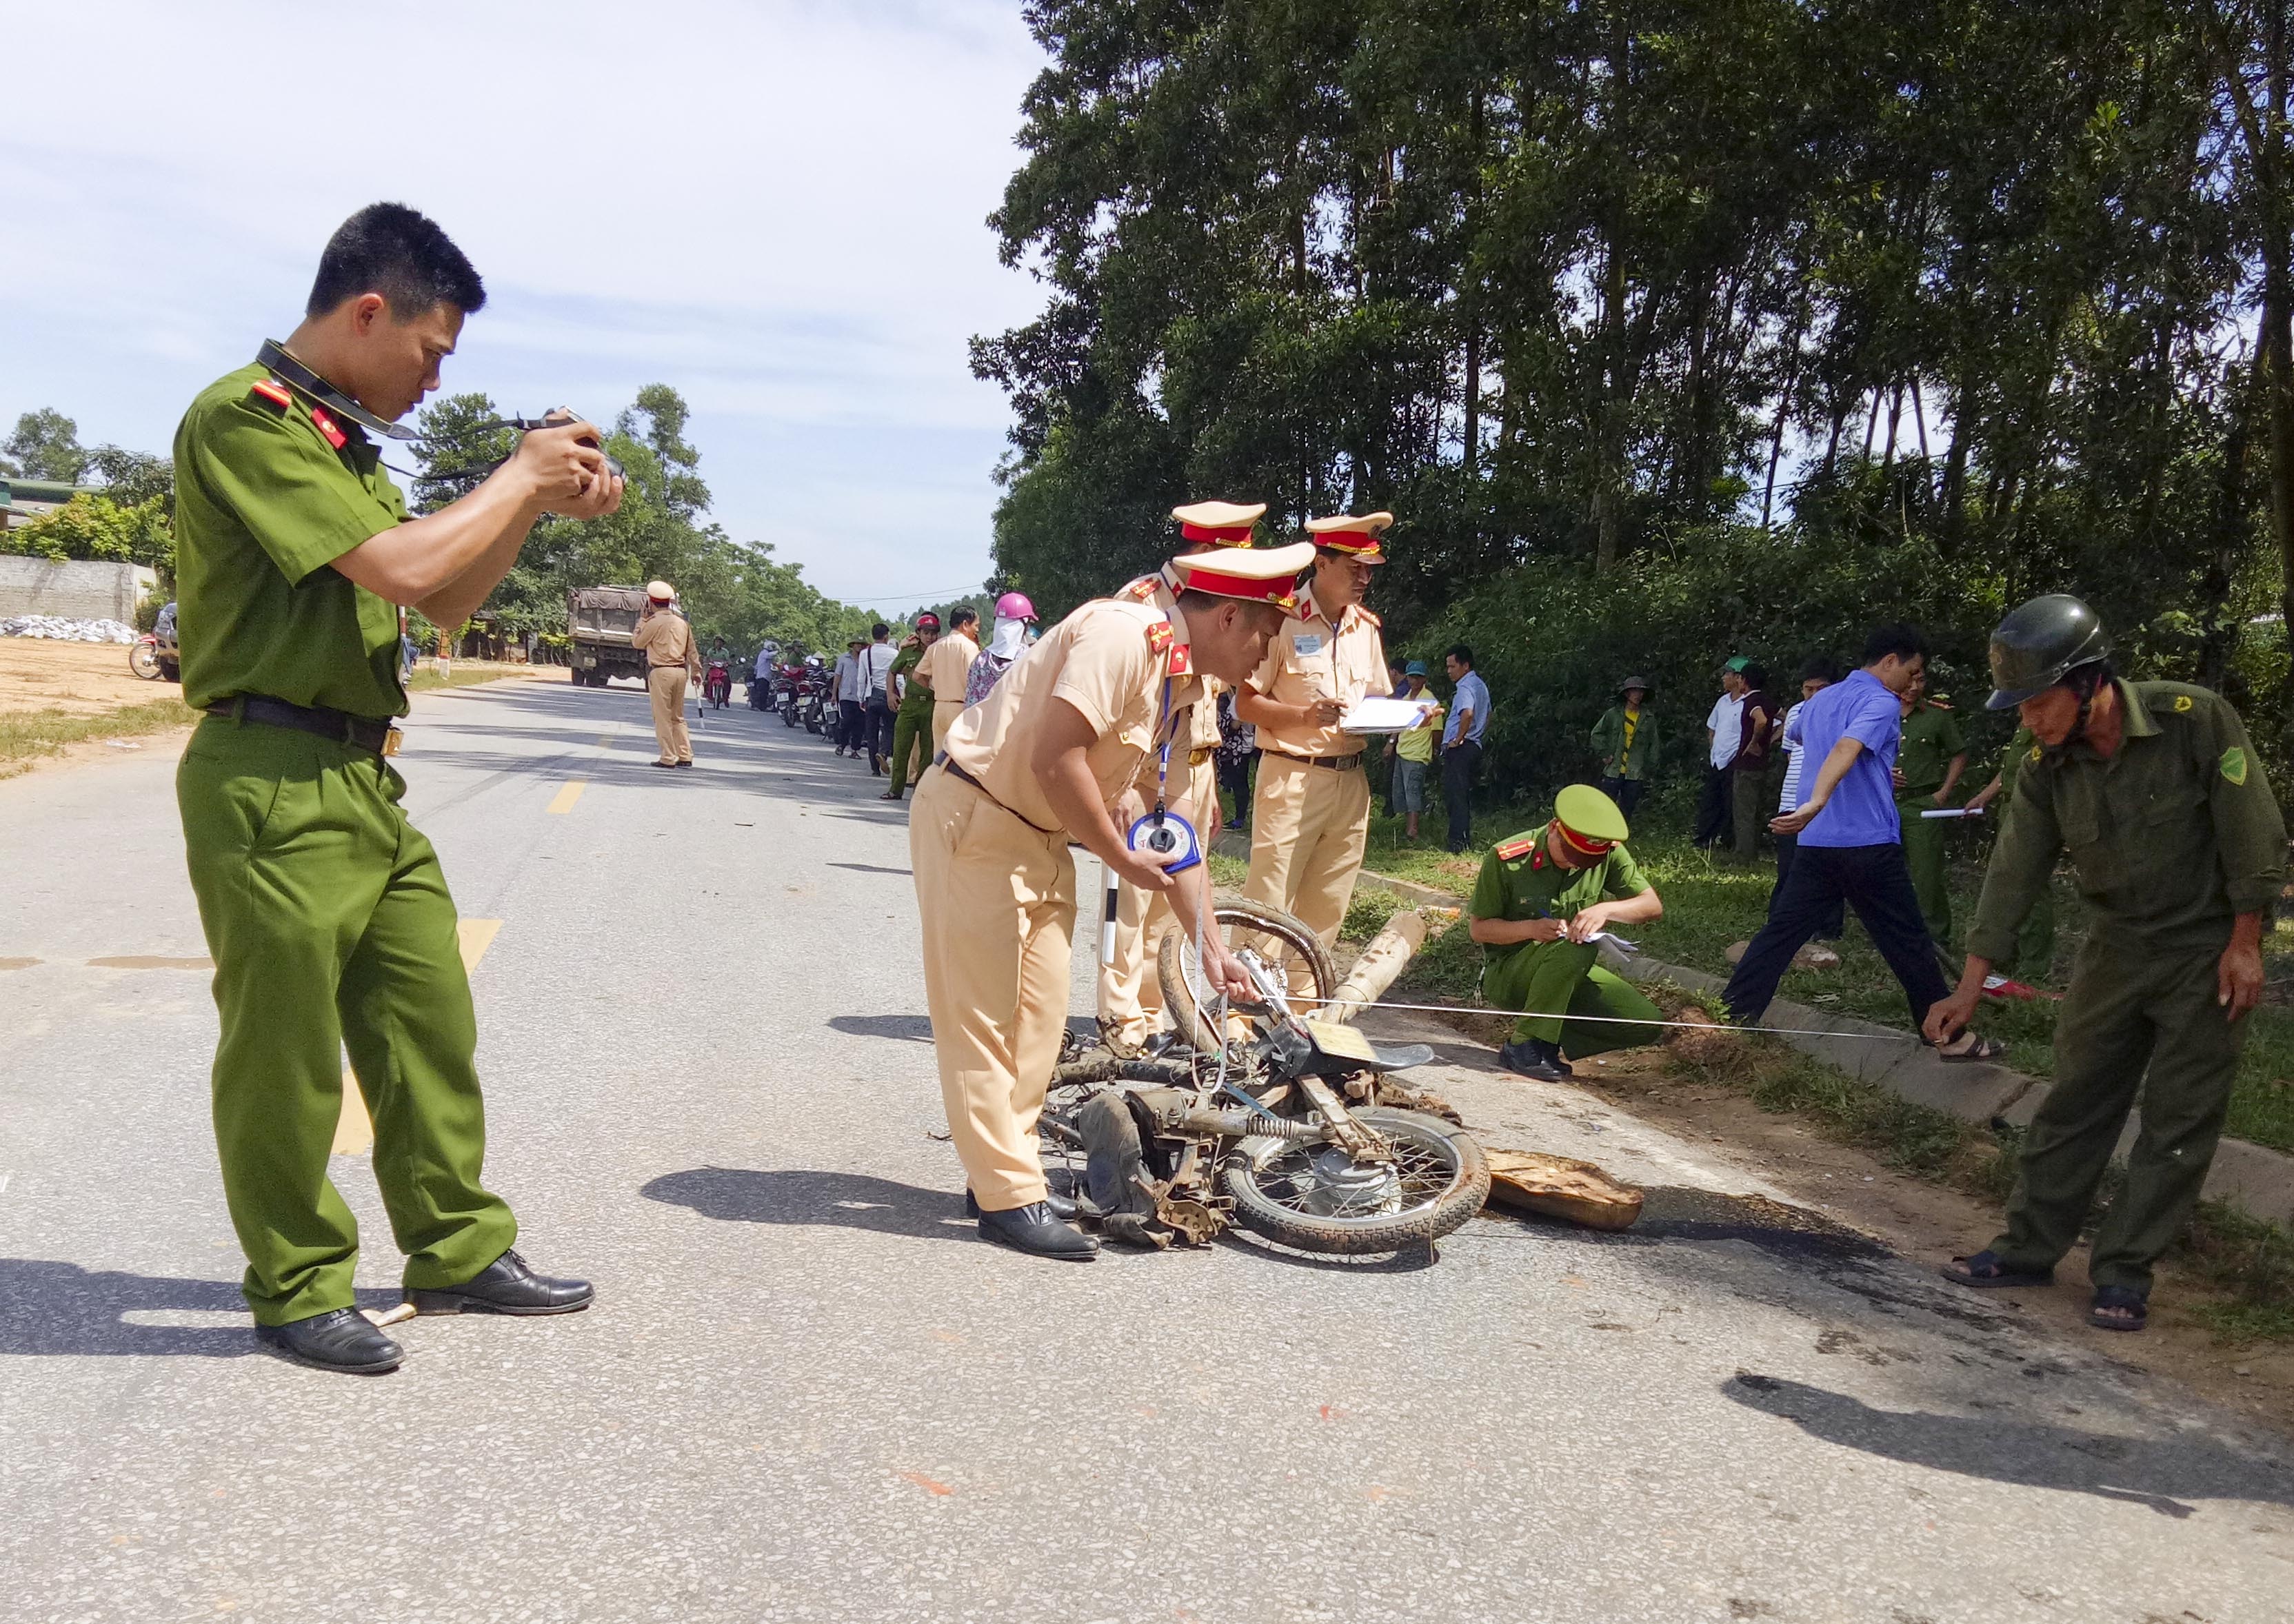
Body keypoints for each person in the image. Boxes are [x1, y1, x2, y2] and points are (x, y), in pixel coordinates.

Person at [171, 202, 606, 1375]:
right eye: (431, 349)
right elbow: (408, 566)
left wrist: (533, 501)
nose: (433, 377)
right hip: (271, 774)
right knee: (286, 1052)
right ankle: (297, 1286)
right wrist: (514, 473)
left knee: (426, 1017)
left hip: (359, 774)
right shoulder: (245, 418)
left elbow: (445, 597)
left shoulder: (339, 443)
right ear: (369, 312)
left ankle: (455, 1247)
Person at [912, 540, 1314, 1259]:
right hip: (978, 816)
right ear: (1228, 616)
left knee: (1038, 1024)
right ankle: (1006, 1193)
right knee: (983, 1019)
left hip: (1038, 836)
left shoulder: (1180, 682)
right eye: (1264, 634)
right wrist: (1118, 854)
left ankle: (1002, 1168)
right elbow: (1054, 756)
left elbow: (1172, 831)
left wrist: (1213, 951)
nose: (1264, 655)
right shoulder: (1124, 636)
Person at [1925, 596, 2285, 1332]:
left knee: (2179, 1120)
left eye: (2037, 703)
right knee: (2075, 1100)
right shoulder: (2045, 766)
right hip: (2116, 948)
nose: (2029, 721)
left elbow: (2252, 830)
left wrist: (2247, 943)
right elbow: (2013, 872)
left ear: (2088, 682)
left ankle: (2124, 1271)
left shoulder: (2193, 719)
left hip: (2207, 951)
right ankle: (2028, 1246)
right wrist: (1968, 988)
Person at [1719, 623, 2000, 1059]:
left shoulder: (1819, 700)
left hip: (1816, 843)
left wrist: (1862, 778)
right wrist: (1817, 801)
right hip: (1866, 843)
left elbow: (1806, 740)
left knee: (1780, 935)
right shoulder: (1881, 702)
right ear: (1890, 661)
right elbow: (1846, 748)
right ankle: (1948, 1036)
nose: (1913, 681)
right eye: (1912, 670)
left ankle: (1730, 1018)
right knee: (1907, 941)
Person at [1098, 498, 1262, 1051]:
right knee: (1130, 894)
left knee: (1177, 889)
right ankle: (1120, 1019)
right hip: (1137, 766)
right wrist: (1120, 787)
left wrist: (1205, 779)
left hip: (1188, 762)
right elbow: (1120, 708)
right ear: (1204, 553)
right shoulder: (1142, 601)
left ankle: (1155, 1008)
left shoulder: (1221, 608)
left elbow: (1202, 702)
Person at [1237, 512, 1395, 986]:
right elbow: (1245, 703)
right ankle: (1243, 1006)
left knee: (1328, 903)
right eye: (1354, 568)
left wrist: (1408, 717)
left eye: (1369, 570)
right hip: (1292, 774)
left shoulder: (1365, 628)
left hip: (1351, 780)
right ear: (1321, 564)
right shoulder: (1281, 619)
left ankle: (1303, 1009)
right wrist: (1303, 717)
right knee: (1268, 899)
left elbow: (1375, 699)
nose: (1364, 579)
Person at [1470, 785, 1667, 1082]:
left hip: (1567, 970)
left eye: (1584, 862)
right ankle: (1524, 1046)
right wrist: (1531, 929)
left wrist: (1606, 910)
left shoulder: (1608, 852)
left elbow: (1651, 905)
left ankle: (1547, 1036)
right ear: (1554, 828)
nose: (1575, 864)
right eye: (1569, 855)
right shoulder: (1508, 858)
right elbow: (1479, 929)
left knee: (1643, 1021)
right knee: (1577, 948)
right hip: (1510, 973)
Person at [1960, 727, 2053, 997]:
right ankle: (2006, 954)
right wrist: (1984, 797)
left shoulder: (2049, 721)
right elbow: (2010, 769)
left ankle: (2034, 964)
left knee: (2031, 884)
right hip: (2011, 805)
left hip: (2035, 806)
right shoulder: (2025, 724)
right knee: (2008, 882)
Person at [1893, 670, 1968, 948]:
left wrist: (1943, 793)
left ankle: (1935, 937)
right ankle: (1894, 930)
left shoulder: (1937, 716)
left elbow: (1959, 753)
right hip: (1883, 803)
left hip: (1922, 803)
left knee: (1927, 874)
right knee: (1885, 870)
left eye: (1921, 681)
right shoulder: (1880, 712)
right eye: (1909, 680)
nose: (1914, 687)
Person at [1772, 657, 1844, 939]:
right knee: (1789, 867)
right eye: (1808, 689)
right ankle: (1782, 924)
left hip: (1826, 802)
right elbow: (1791, 754)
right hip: (1792, 799)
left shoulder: (1842, 714)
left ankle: (1828, 928)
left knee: (1829, 866)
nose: (1813, 695)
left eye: (1820, 688)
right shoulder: (1795, 713)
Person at [632, 581, 701, 769]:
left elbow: (638, 642)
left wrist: (642, 620)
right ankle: (685, 755)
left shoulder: (653, 622)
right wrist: (696, 671)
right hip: (680, 672)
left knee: (663, 717)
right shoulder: (682, 623)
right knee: (678, 717)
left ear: (650, 602)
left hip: (662, 671)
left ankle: (668, 757)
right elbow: (692, 651)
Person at [882, 612, 940, 800]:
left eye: (933, 633)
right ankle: (895, 789)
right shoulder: (908, 652)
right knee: (901, 747)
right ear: (918, 633)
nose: (930, 637)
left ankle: (920, 791)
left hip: (932, 704)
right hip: (910, 704)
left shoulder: (941, 653)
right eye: (926, 633)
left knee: (928, 752)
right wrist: (890, 694)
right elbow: (892, 671)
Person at [1440, 644, 1490, 852]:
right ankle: (1461, 839)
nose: (1449, 671)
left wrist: (1458, 739)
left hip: (1461, 748)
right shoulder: (1480, 685)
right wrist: (1478, 734)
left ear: (1465, 666)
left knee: (1456, 796)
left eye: (1452, 666)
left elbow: (1467, 713)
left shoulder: (1465, 687)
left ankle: (1458, 843)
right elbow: (1488, 715)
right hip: (1473, 745)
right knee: (1461, 794)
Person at [1696, 658, 1750, 848]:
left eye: (1727, 674)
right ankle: (1704, 839)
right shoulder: (1723, 702)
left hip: (1735, 761)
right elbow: (1712, 727)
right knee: (1710, 801)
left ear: (1739, 677)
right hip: (1717, 760)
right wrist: (1713, 749)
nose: (1723, 678)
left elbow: (1774, 724)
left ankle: (1728, 842)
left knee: (1731, 804)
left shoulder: (1750, 702)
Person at [1729, 662, 1779, 862]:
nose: (1738, 681)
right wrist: (1771, 740)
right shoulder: (1768, 701)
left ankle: (1744, 854)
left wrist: (1754, 742)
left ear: (1746, 681)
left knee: (1744, 811)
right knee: (1756, 809)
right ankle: (1753, 851)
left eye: (1740, 678)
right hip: (1761, 764)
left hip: (1747, 765)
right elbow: (1786, 718)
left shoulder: (1752, 701)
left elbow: (1761, 720)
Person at [1590, 676, 1659, 819]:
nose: (1638, 695)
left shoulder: (1648, 718)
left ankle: (1621, 831)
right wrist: (1605, 753)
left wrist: (1649, 767)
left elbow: (1654, 744)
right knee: (1605, 805)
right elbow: (1596, 734)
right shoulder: (1613, 714)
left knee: (1627, 809)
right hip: (1614, 770)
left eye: (1641, 692)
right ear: (1627, 694)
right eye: (1634, 691)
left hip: (1635, 771)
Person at [1393, 661, 1442, 842]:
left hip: (1418, 753)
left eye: (1418, 677)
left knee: (1413, 792)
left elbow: (1437, 731)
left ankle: (1412, 831)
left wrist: (1434, 749)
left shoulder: (1431, 701)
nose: (1414, 681)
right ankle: (1408, 827)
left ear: (1424, 679)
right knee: (1402, 792)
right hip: (1403, 750)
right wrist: (1391, 743)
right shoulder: (1406, 698)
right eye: (1411, 677)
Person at [922, 605, 980, 756]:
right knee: (961, 757)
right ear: (965, 624)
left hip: (939, 707)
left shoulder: (935, 647)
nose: (977, 630)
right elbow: (974, 679)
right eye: (976, 625)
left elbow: (917, 675)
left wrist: (934, 687)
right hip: (961, 709)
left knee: (939, 757)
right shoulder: (969, 647)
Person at [967, 591, 1036, 704]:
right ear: (1023, 625)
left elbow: (971, 700)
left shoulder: (981, 660)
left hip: (985, 716)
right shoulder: (1029, 659)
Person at [858, 621, 897, 775]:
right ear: (886, 636)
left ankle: (875, 768)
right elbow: (899, 679)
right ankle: (884, 752)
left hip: (871, 697)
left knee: (871, 733)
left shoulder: (865, 653)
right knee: (889, 728)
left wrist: (861, 698)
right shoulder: (894, 654)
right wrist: (901, 695)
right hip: (889, 696)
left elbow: (861, 679)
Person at [831, 636, 865, 755]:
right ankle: (842, 744)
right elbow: (838, 676)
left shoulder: (865, 658)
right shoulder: (843, 658)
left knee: (860, 724)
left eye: (861, 644)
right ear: (852, 645)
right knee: (847, 721)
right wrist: (834, 694)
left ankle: (855, 750)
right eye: (857, 644)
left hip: (861, 696)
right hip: (846, 695)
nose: (859, 646)